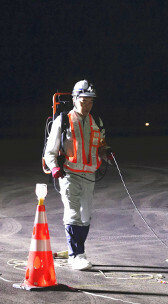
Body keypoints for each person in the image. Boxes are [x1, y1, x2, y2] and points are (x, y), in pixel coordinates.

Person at [44, 79, 111, 270]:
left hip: (90, 175)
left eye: (90, 101)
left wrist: (106, 153)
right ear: (74, 99)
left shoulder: (96, 122)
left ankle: (78, 251)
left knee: (86, 215)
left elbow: (100, 146)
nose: (87, 105)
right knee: (73, 214)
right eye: (83, 101)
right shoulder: (63, 120)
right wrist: (54, 167)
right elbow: (50, 151)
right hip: (69, 175)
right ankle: (76, 255)